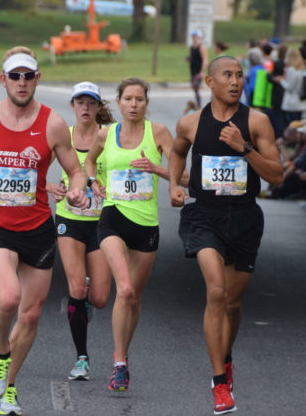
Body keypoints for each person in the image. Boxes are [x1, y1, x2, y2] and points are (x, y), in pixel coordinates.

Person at [0, 47, 89, 415]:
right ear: (4, 79)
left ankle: (8, 387)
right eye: (15, 76)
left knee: (30, 314)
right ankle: (0, 350)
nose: (22, 82)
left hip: (39, 228)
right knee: (9, 299)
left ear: (38, 79)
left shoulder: (52, 123)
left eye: (29, 75)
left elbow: (76, 169)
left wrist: (77, 188)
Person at [169, 56, 283, 415]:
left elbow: (277, 176)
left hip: (245, 217)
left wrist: (244, 148)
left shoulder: (256, 121)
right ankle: (219, 383)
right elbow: (176, 151)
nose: (235, 82)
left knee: (232, 303)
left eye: (239, 76)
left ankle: (226, 356)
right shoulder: (190, 122)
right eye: (228, 75)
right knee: (215, 290)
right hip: (204, 216)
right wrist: (174, 183)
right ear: (209, 82)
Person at [84, 77, 189, 393]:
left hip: (145, 224)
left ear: (146, 103)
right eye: (127, 99)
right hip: (113, 216)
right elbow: (89, 159)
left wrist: (158, 171)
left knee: (134, 297)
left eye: (139, 99)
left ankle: (124, 354)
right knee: (125, 289)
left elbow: (182, 174)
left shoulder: (157, 133)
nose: (133, 104)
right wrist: (93, 182)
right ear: (118, 103)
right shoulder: (106, 134)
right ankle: (118, 364)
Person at [46, 81, 115, 381]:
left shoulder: (110, 137)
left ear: (99, 107)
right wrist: (51, 188)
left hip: (102, 223)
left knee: (98, 298)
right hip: (70, 220)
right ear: (73, 106)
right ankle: (82, 358)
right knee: (76, 289)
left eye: (91, 102)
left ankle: (85, 297)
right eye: (80, 102)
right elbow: (34, 168)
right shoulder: (65, 137)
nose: (85, 108)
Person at [276, 48, 306, 125]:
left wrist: (281, 81)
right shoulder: (302, 69)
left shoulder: (291, 70)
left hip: (292, 102)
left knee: (291, 125)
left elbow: (290, 87)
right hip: (301, 102)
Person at [188, 30, 208, 109]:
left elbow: (205, 59)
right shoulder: (192, 47)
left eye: (195, 36)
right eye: (193, 36)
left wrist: (202, 71)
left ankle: (199, 104)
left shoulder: (201, 47)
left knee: (196, 86)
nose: (194, 38)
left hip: (199, 70)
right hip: (193, 70)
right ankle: (198, 103)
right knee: (194, 87)